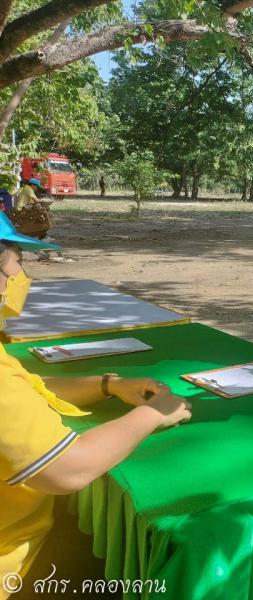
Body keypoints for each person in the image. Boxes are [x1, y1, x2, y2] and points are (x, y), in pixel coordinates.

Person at [0, 213, 192, 596]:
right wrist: (154, 413)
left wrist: (108, 385)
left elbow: (28, 387)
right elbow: (67, 470)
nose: (22, 279)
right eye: (17, 264)